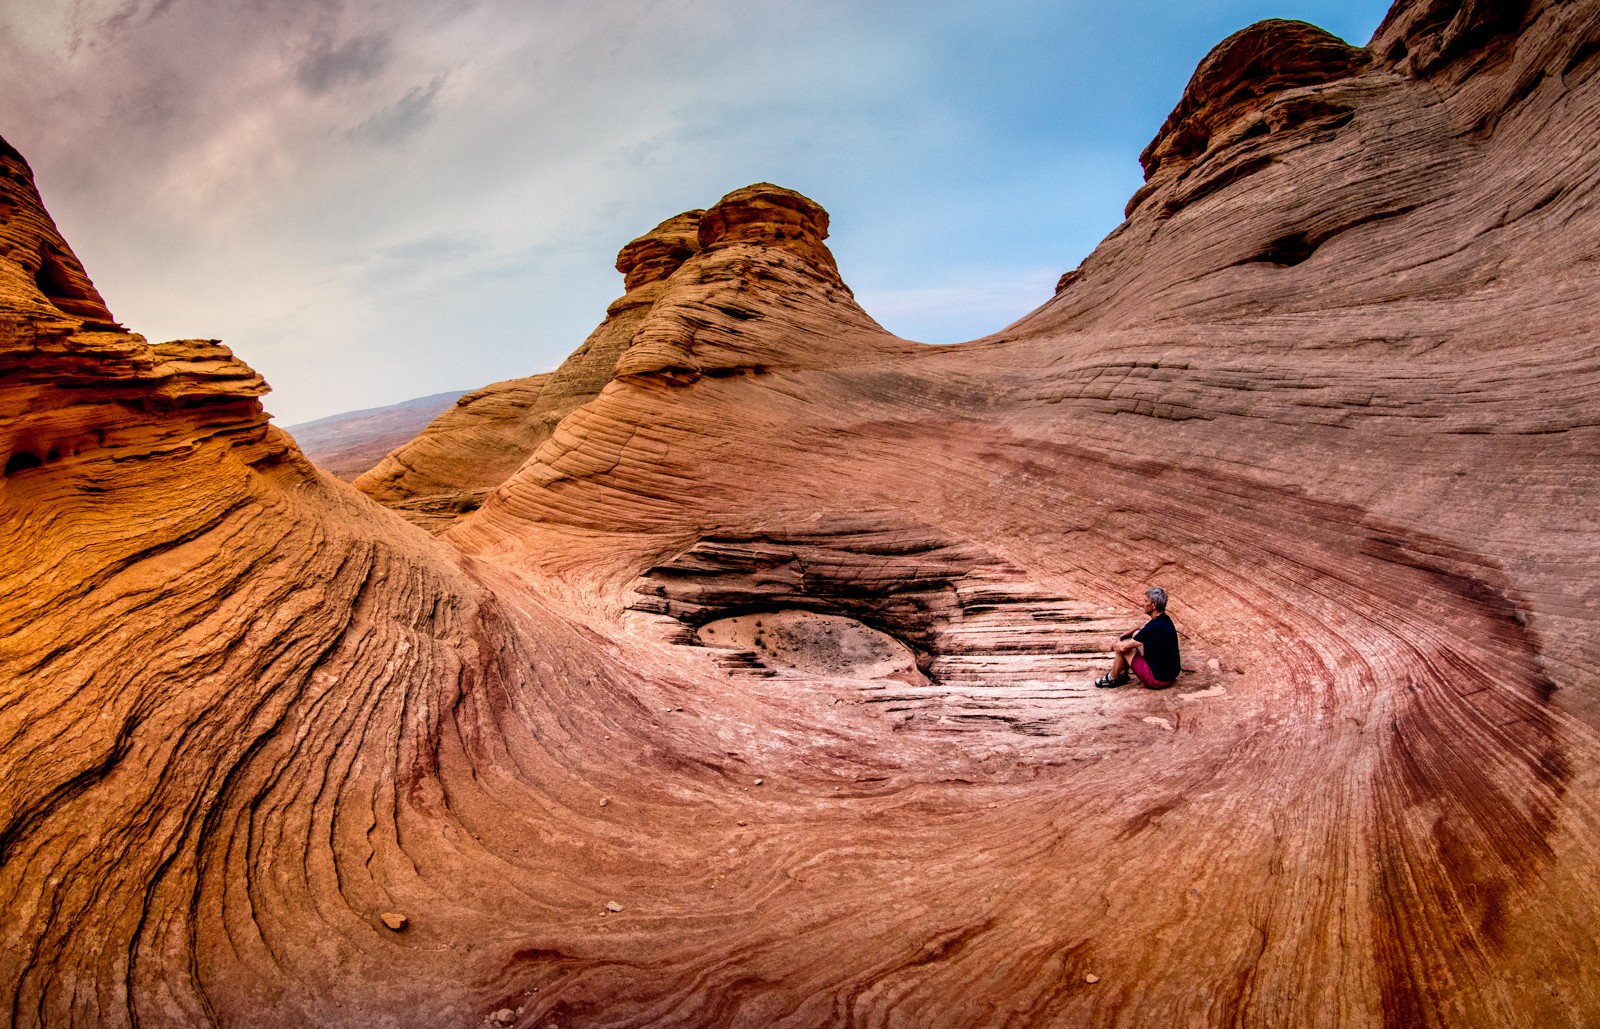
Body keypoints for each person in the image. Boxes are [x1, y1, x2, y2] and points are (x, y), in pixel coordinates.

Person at [1095, 587, 1180, 689]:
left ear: (1154, 605)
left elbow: (1123, 648)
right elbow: (1139, 628)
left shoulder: (1153, 627)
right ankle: (1122, 673)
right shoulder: (1163, 619)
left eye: (1146, 601)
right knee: (1136, 634)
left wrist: (1114, 645)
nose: (1142, 604)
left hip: (1158, 680)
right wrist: (1121, 637)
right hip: (1170, 674)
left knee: (1124, 649)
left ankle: (1111, 678)